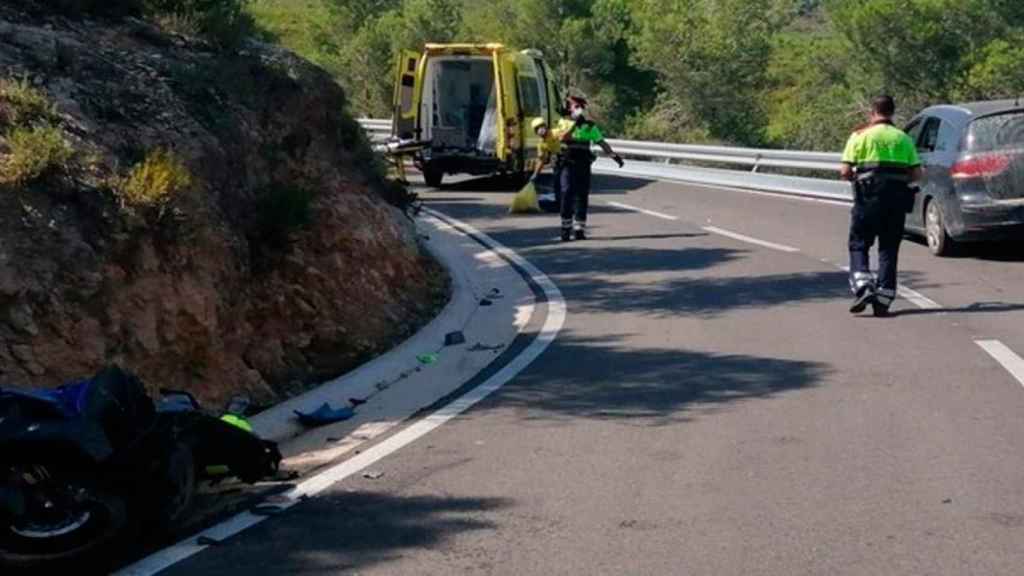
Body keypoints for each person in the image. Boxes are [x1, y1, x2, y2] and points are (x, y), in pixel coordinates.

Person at [840, 94, 922, 317]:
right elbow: (917, 173)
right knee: (888, 249)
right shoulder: (903, 138)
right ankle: (883, 301)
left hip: (867, 201)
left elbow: (845, 171)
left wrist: (856, 177)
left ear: (872, 112)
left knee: (859, 244)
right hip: (895, 203)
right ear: (892, 112)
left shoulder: (859, 136)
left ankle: (863, 287)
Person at [558, 96, 625, 241]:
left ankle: (579, 229)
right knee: (567, 192)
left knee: (582, 196)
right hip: (568, 163)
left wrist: (614, 156)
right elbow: (563, 138)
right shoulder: (563, 122)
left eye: (580, 107)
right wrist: (575, 125)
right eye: (575, 106)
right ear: (569, 108)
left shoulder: (589, 126)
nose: (577, 109)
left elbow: (601, 142)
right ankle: (565, 229)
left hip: (583, 164)